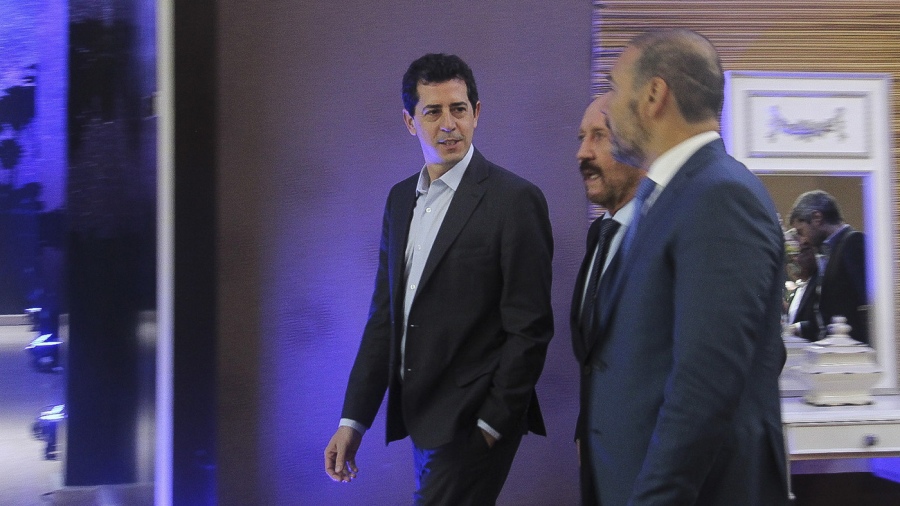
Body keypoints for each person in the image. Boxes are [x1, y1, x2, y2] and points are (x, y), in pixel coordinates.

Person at [323, 53, 554, 505]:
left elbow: (530, 328)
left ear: (476, 113)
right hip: (421, 418)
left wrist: (492, 425)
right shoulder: (399, 201)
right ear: (410, 122)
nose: (449, 124)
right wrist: (353, 421)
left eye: (459, 109)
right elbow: (385, 318)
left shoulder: (514, 200)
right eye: (433, 111)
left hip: (473, 423)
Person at [589, 29, 790, 505]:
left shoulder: (721, 195)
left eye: (615, 88)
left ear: (654, 95)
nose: (606, 108)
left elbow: (705, 383)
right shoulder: (668, 194)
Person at [569, 93, 645, 506]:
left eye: (599, 136)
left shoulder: (667, 237)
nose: (583, 153)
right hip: (599, 467)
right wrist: (586, 429)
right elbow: (596, 356)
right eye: (582, 137)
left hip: (649, 472)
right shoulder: (599, 234)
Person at [789, 190, 868, 344]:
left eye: (801, 231)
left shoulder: (853, 242)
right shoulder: (829, 252)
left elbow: (868, 306)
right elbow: (825, 316)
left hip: (852, 350)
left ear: (817, 218)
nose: (803, 240)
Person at [784, 229, 821, 341]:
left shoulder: (820, 282)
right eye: (789, 256)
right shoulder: (797, 289)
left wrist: (798, 327)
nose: (793, 260)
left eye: (797, 253)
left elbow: (822, 320)